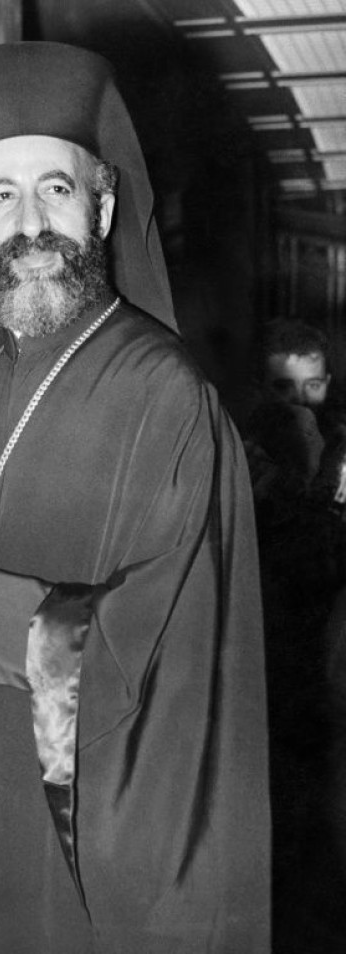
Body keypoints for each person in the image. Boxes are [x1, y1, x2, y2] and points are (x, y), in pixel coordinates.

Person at [0, 44, 270, 953]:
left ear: (102, 208)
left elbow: (155, 673)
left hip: (66, 891)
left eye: (56, 190)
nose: (29, 223)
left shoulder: (166, 402)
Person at [244, 320, 346, 951]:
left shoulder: (336, 449)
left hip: (326, 668)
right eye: (286, 390)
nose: (302, 403)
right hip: (268, 661)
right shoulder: (249, 460)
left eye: (312, 386)